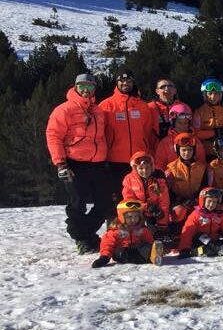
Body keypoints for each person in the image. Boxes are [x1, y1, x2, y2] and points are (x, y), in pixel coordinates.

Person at [45, 73, 111, 253]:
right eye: (82, 86)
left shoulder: (98, 111)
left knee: (105, 203)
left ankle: (84, 233)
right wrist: (60, 163)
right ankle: (82, 239)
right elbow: (53, 136)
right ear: (75, 87)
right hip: (74, 163)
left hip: (97, 163)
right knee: (78, 203)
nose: (86, 90)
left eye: (90, 86)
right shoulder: (64, 109)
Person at [100, 68, 158, 198]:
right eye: (122, 80)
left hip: (139, 159)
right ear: (117, 82)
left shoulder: (143, 106)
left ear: (133, 82)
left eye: (128, 80)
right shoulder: (106, 105)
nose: (125, 83)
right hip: (115, 159)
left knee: (141, 194)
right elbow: (100, 132)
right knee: (119, 194)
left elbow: (148, 131)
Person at [91, 200, 165, 268]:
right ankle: (149, 258)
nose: (133, 219)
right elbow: (107, 245)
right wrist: (104, 258)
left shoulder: (142, 230)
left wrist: (153, 247)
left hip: (137, 249)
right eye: (129, 217)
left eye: (136, 216)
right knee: (121, 252)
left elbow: (149, 241)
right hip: (122, 252)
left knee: (145, 247)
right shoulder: (115, 231)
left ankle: (154, 256)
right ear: (121, 216)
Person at [176, 187, 223, 258]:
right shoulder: (196, 215)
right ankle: (218, 249)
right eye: (209, 201)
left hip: (213, 240)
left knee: (212, 247)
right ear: (203, 201)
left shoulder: (219, 215)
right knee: (204, 239)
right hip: (198, 240)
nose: (211, 205)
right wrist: (184, 248)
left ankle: (205, 250)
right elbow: (187, 232)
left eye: (214, 202)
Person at [121, 151, 171, 232]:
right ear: (135, 168)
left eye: (147, 167)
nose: (144, 171)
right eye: (141, 168)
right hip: (138, 213)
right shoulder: (129, 179)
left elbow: (164, 202)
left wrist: (162, 223)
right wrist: (146, 207)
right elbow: (129, 201)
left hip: (155, 213)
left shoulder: (159, 180)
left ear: (152, 167)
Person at [164, 133, 207, 224]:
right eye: (183, 150)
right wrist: (180, 200)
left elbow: (204, 187)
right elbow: (167, 191)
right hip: (179, 202)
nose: (187, 153)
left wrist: (195, 199)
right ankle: (177, 229)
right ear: (178, 150)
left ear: (194, 150)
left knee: (203, 213)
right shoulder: (171, 168)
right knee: (179, 212)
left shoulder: (202, 168)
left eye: (190, 150)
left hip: (196, 201)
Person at [154, 103, 206, 167]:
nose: (183, 126)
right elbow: (159, 166)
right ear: (173, 123)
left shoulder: (195, 141)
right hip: (171, 175)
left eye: (185, 123)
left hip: (193, 175)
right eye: (180, 123)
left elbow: (202, 164)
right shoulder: (165, 143)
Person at [193, 78, 223, 159]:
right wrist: (215, 132)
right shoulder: (199, 112)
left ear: (220, 95)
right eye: (210, 93)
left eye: (216, 94)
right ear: (204, 95)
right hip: (205, 153)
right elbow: (196, 133)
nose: (213, 97)